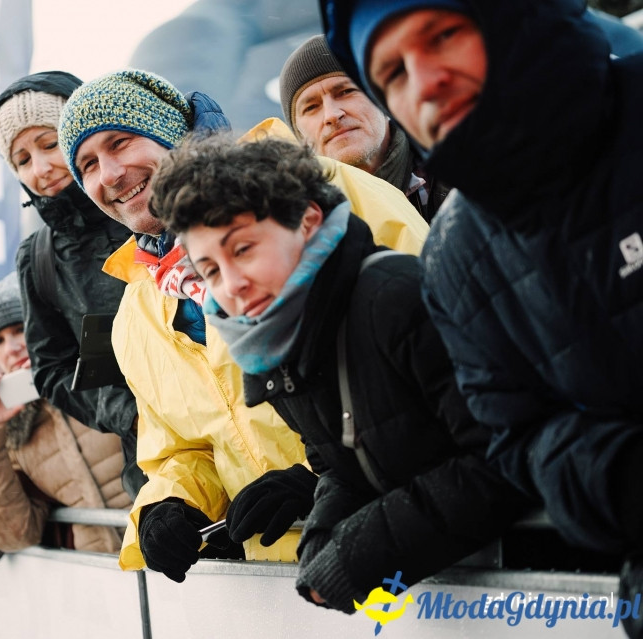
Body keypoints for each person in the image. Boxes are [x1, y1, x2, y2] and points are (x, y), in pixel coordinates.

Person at [322, 0, 643, 620]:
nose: (425, 80)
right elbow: (518, 436)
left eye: (442, 35)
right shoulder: (453, 259)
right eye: (392, 74)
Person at [57, 69, 428, 582]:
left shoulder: (321, 188)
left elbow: (439, 340)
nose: (110, 174)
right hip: (275, 580)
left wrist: (324, 475)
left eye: (120, 141)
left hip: (413, 538)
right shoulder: (135, 315)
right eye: (87, 165)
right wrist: (171, 505)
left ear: (170, 131)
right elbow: (180, 451)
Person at [150, 133, 534, 612]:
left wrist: (359, 555)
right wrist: (323, 543)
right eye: (209, 270)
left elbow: (506, 456)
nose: (232, 285)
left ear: (308, 220)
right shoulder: (277, 346)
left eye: (244, 249)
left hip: (542, 580)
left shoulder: (393, 297)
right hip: (457, 586)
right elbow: (338, 464)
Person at [0, 71, 145, 498]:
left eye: (49, 143)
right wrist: (123, 411)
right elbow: (52, 368)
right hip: (154, 460)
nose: (40, 169)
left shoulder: (151, 199)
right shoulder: (37, 259)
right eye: (22, 160)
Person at [0, 275, 131, 559]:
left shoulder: (101, 370)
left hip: (176, 551)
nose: (10, 348)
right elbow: (15, 535)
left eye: (18, 329)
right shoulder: (14, 431)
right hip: (103, 575)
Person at [279, 34, 447, 222]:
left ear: (382, 99)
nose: (331, 115)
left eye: (345, 91)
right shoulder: (302, 223)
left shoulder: (458, 171)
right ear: (299, 135)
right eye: (311, 107)